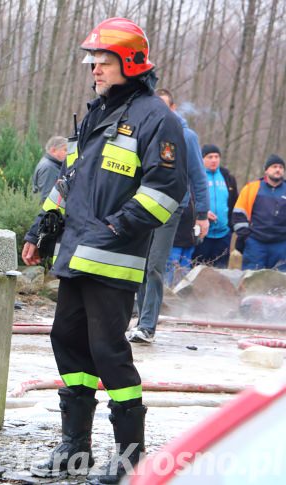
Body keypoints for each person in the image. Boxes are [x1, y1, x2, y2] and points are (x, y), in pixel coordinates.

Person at [21, 18, 186, 484]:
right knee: (67, 343)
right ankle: (75, 447)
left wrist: (118, 226)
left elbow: (166, 188)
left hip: (113, 258)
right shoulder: (96, 113)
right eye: (92, 60)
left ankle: (131, 457)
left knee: (109, 352)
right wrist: (43, 224)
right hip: (74, 254)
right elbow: (69, 180)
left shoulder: (157, 117)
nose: (94, 68)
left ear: (130, 63)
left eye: (104, 60)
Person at [127, 88, 209, 344]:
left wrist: (202, 214)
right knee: (138, 264)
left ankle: (147, 326)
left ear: (173, 109)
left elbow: (198, 177)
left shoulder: (187, 136)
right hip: (142, 206)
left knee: (154, 266)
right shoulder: (145, 131)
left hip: (170, 209)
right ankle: (139, 317)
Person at [232, 155, 286, 270]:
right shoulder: (251, 188)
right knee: (251, 282)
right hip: (255, 244)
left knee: (280, 284)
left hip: (282, 245)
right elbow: (239, 214)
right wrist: (246, 237)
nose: (278, 169)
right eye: (274, 166)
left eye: (281, 167)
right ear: (266, 170)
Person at [191, 144, 238, 267]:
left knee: (220, 273)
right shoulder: (195, 176)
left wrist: (231, 227)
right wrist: (201, 213)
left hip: (224, 234)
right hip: (201, 233)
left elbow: (234, 203)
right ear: (202, 159)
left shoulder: (228, 177)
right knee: (197, 270)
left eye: (217, 157)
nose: (214, 160)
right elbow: (189, 201)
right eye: (210, 157)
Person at [32, 136, 67, 202]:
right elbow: (47, 198)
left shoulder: (52, 165)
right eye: (65, 150)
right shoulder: (49, 168)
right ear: (53, 150)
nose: (67, 153)